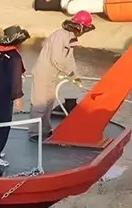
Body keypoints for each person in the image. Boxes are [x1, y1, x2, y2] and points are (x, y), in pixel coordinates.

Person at [28, 10, 95, 140]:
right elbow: (56, 59)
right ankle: (34, 133)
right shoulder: (60, 36)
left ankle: (45, 130)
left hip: (53, 74)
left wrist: (75, 76)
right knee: (39, 104)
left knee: (49, 104)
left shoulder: (70, 37)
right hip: (43, 73)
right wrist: (69, 73)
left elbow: (69, 59)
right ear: (80, 26)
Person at [0, 25, 30, 167]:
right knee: (3, 125)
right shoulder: (14, 56)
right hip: (4, 95)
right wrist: (18, 98)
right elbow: (15, 79)